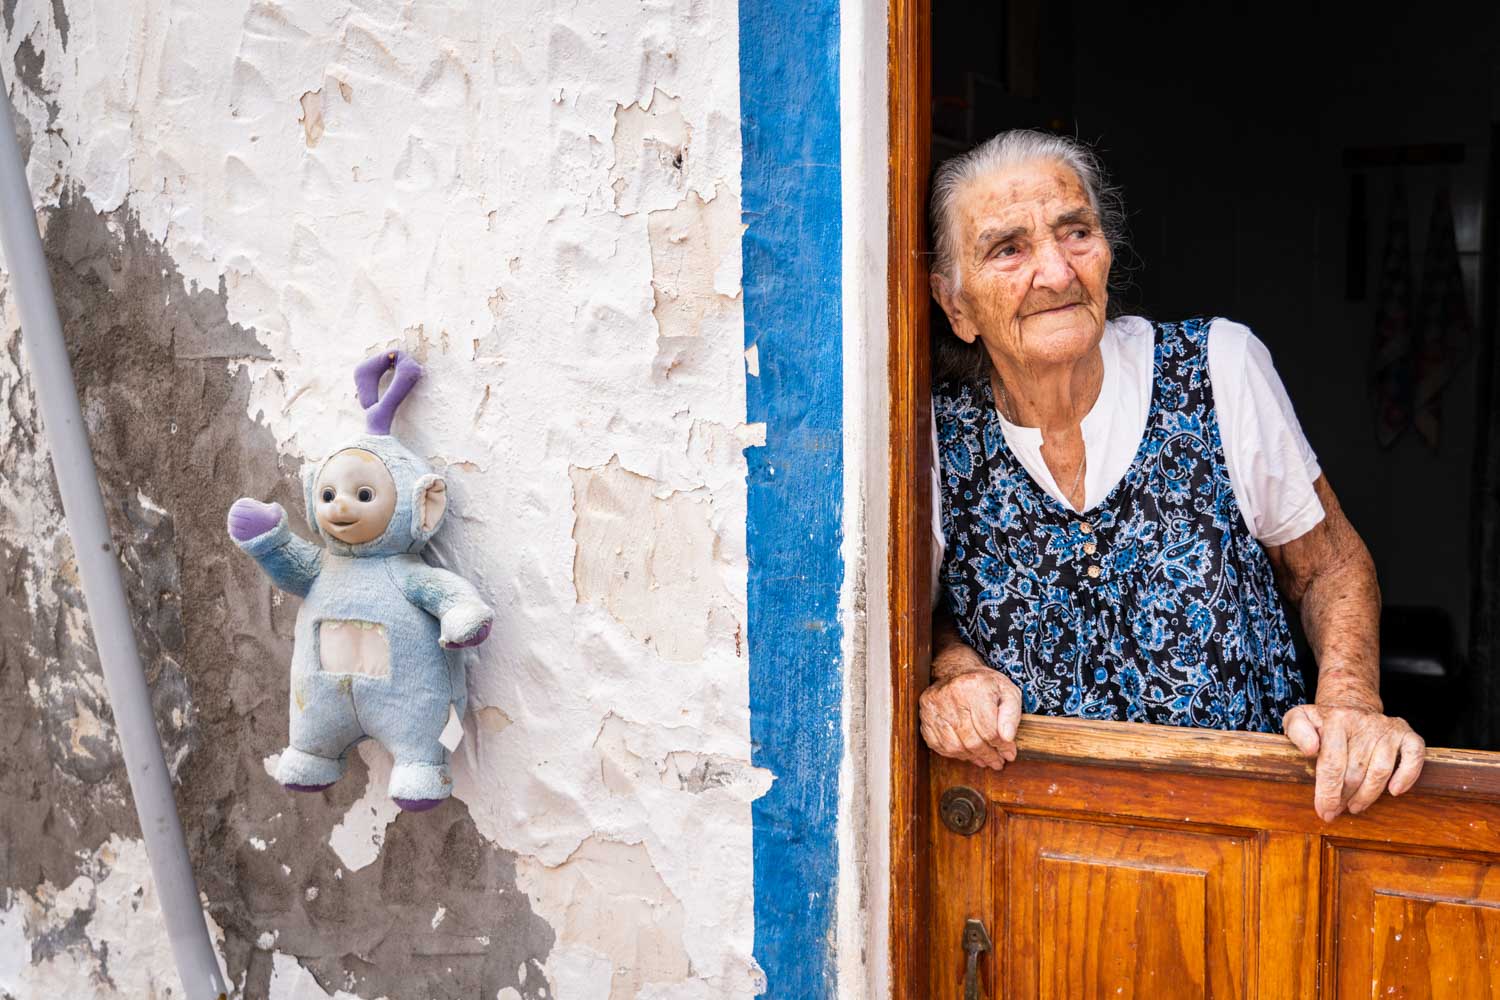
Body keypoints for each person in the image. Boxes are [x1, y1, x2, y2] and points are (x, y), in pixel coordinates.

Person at [920, 129, 1424, 821]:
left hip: (1244, 833)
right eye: (1009, 249)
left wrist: (1350, 704)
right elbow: (924, 606)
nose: (1058, 273)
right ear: (956, 307)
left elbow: (1327, 566)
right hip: (1041, 844)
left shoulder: (1217, 368)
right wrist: (953, 669)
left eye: (1076, 233)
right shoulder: (933, 436)